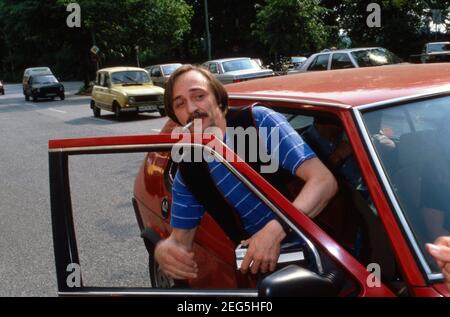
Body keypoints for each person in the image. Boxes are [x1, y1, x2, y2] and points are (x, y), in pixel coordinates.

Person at [154, 64, 337, 280]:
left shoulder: (257, 122)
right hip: (268, 270)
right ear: (176, 116)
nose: (192, 108)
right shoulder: (189, 169)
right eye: (180, 103)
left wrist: (275, 230)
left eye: (199, 96)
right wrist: (164, 250)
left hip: (325, 250)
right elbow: (179, 241)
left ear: (218, 98)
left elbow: (324, 181)